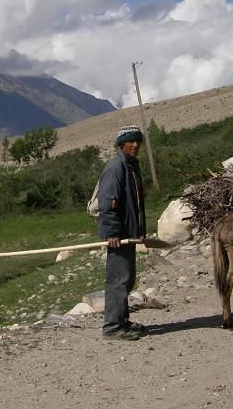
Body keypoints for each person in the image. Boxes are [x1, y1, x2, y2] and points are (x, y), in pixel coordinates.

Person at [97, 124, 147, 340]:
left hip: (128, 234)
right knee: (118, 279)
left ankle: (122, 320)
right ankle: (112, 327)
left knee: (126, 278)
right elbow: (108, 203)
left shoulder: (131, 166)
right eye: (131, 141)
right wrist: (112, 233)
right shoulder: (116, 167)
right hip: (119, 235)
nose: (135, 145)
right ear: (121, 144)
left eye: (138, 141)